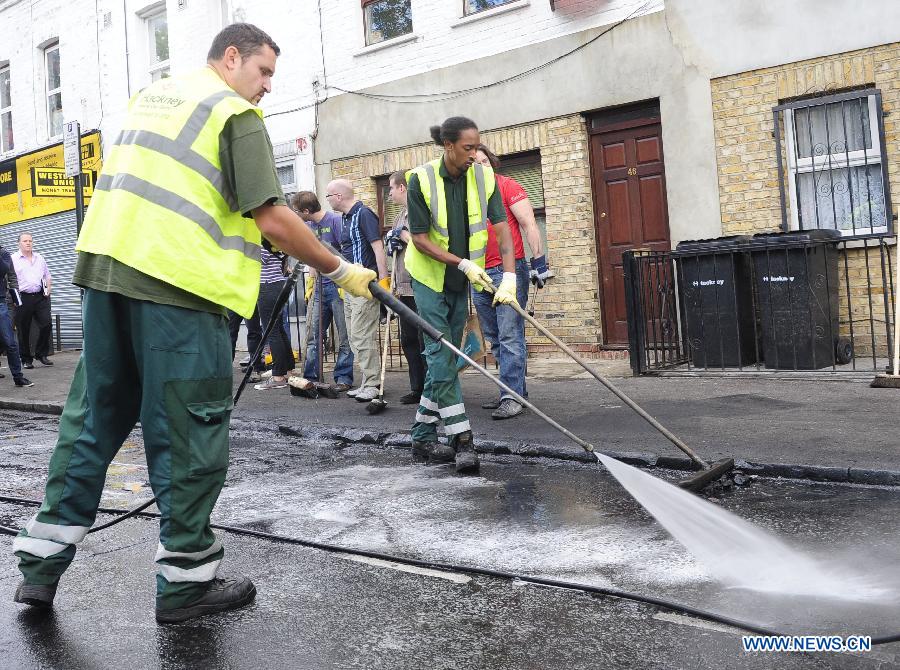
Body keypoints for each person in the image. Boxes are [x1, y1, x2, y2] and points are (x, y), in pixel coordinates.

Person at [11, 23, 376, 624]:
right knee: (189, 432)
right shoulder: (233, 114)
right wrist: (342, 271)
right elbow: (273, 217)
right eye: (263, 72)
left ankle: (40, 570)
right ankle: (184, 587)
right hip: (178, 288)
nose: (265, 89)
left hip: (106, 276)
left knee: (91, 423)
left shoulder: (151, 100)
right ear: (232, 58)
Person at [405, 117, 517, 474]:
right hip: (428, 277)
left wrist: (510, 276)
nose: (474, 154)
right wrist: (462, 263)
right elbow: (420, 239)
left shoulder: (484, 177)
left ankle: (423, 435)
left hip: (462, 280)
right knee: (442, 352)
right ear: (448, 146)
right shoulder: (420, 179)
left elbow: (501, 227)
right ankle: (461, 438)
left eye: (477, 147)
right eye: (468, 148)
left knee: (446, 361)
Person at [471, 144, 552, 420]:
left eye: (484, 161)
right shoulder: (468, 197)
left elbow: (529, 223)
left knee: (509, 335)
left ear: (492, 164)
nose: (479, 166)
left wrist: (539, 262)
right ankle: (512, 390)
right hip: (478, 273)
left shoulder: (507, 186)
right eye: (474, 163)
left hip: (508, 271)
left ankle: (512, 397)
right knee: (493, 338)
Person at [326, 178, 388, 402]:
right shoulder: (344, 218)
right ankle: (366, 381)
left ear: (339, 197)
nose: (328, 200)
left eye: (329, 196)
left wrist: (384, 280)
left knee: (363, 336)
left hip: (366, 285)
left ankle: (373, 383)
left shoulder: (364, 214)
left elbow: (377, 245)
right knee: (354, 337)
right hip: (351, 286)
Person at [293, 191, 354, 391]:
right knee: (313, 334)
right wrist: (311, 283)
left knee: (344, 336)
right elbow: (311, 256)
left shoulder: (335, 221)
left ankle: (343, 378)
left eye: (296, 211)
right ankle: (311, 377)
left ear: (306, 210)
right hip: (319, 287)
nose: (295, 214)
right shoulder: (308, 227)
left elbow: (345, 254)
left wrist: (344, 281)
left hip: (337, 287)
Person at [384, 171, 426, 405]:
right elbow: (398, 245)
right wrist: (393, 242)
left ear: (402, 188)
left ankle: (431, 390)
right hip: (402, 287)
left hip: (418, 284)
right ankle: (416, 388)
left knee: (423, 341)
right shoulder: (400, 214)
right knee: (408, 339)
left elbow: (420, 242)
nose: (389, 193)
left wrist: (402, 235)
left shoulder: (418, 210)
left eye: (391, 188)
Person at [252, 247, 295, 390]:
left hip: (267, 286)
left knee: (272, 332)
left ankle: (278, 376)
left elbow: (258, 259)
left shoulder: (264, 239)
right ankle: (288, 371)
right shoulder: (276, 238)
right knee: (279, 330)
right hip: (278, 284)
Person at [12, 233, 53, 368]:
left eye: (30, 240)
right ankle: (26, 359)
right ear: (19, 243)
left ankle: (41, 354)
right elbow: (7, 279)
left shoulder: (39, 258)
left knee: (46, 323)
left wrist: (48, 289)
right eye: (25, 241)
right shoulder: (13, 259)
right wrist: (12, 297)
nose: (28, 243)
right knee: (23, 329)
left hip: (41, 296)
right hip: (23, 297)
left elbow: (47, 275)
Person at [0, 243, 32, 387]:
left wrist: (15, 297)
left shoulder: (4, 254)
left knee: (10, 342)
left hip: (1, 303)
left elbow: (4, 270)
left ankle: (18, 377)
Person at [227, 305, 265, 382]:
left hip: (247, 300)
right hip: (235, 299)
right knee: (229, 333)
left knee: (253, 332)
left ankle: (255, 367)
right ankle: (225, 367)